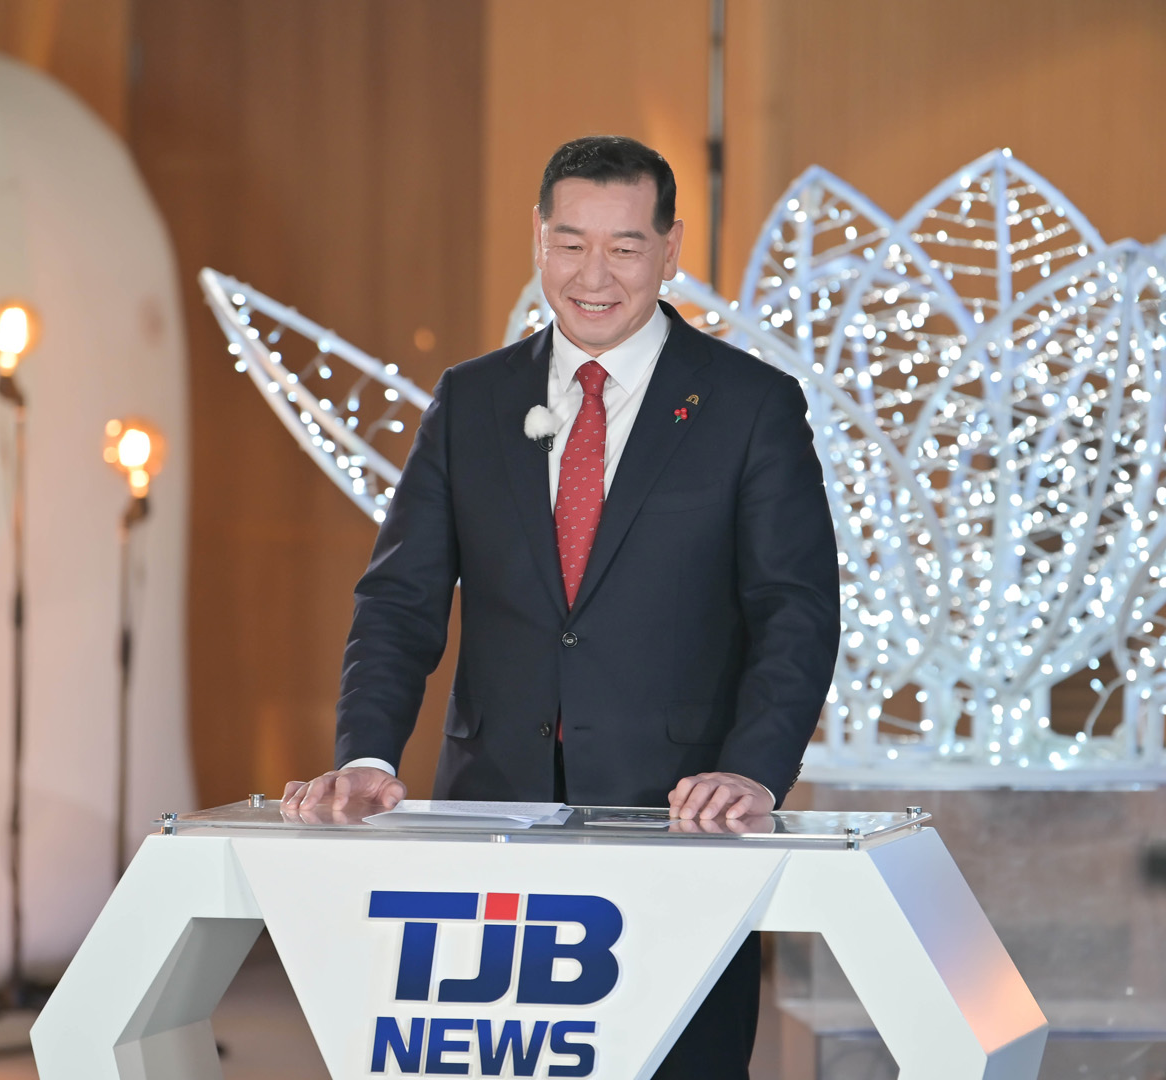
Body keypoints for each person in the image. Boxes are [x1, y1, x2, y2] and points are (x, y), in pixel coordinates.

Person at [285, 134, 839, 1078]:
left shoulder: (750, 404)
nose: (594, 275)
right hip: (489, 827)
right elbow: (399, 602)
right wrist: (369, 753)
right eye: (571, 243)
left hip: (680, 828)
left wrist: (752, 771)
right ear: (538, 239)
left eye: (624, 247)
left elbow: (796, 609)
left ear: (670, 248)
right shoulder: (469, 401)